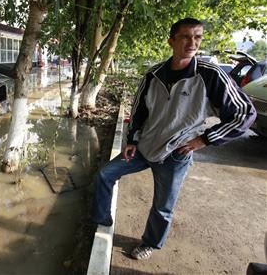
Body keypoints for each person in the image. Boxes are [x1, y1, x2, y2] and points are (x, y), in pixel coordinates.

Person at [91, 17, 256, 260]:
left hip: (176, 154)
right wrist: (132, 141)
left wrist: (204, 140)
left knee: (162, 207)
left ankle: (150, 243)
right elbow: (139, 111)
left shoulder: (210, 75)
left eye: (197, 37)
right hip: (145, 147)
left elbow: (244, 114)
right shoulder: (154, 74)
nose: (193, 42)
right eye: (186, 36)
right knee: (105, 174)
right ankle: (102, 220)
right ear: (171, 41)